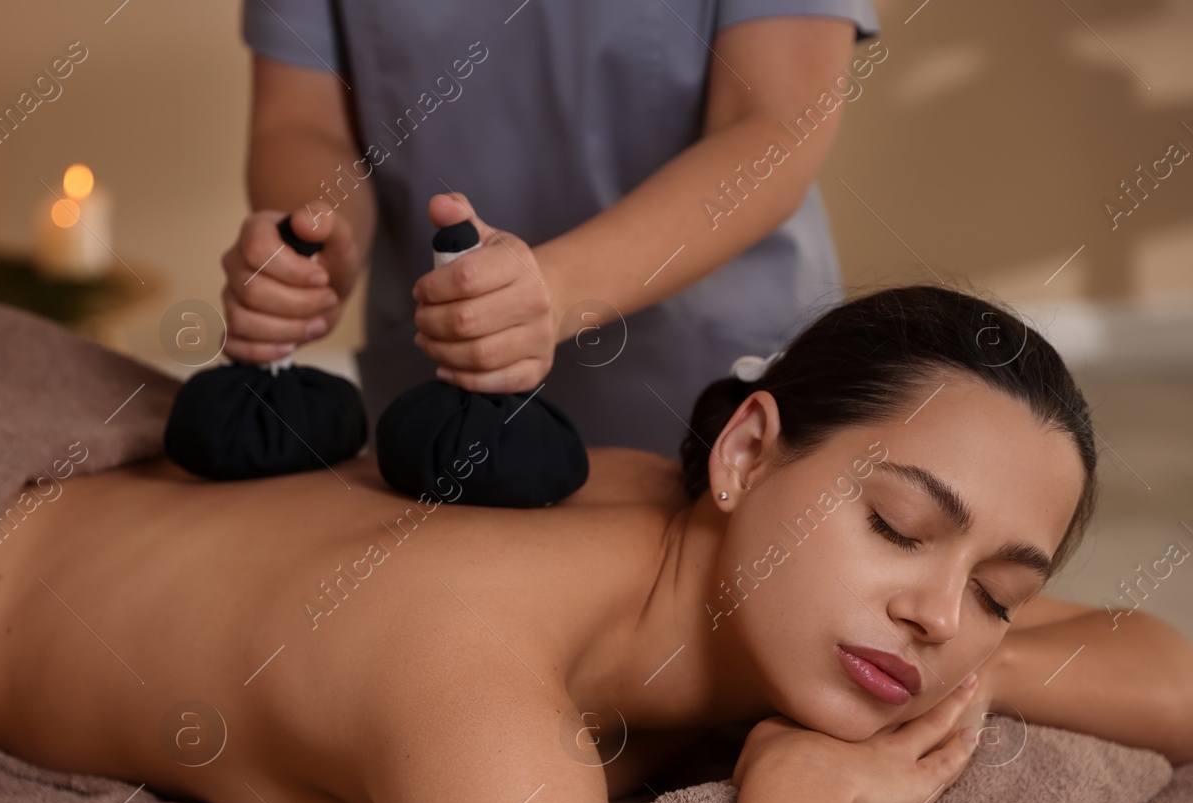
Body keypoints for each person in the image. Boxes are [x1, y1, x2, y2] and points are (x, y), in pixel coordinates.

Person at [0, 287, 1192, 803]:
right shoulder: (473, 673)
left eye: (1000, 588)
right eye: (900, 529)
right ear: (746, 453)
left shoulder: (729, 554)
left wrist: (957, 623)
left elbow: (1168, 672)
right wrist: (800, 791)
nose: (932, 608)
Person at [219, 0, 887, 459]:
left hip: (709, 390)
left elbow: (775, 120)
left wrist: (556, 288)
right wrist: (315, 241)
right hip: (442, 403)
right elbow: (301, 123)